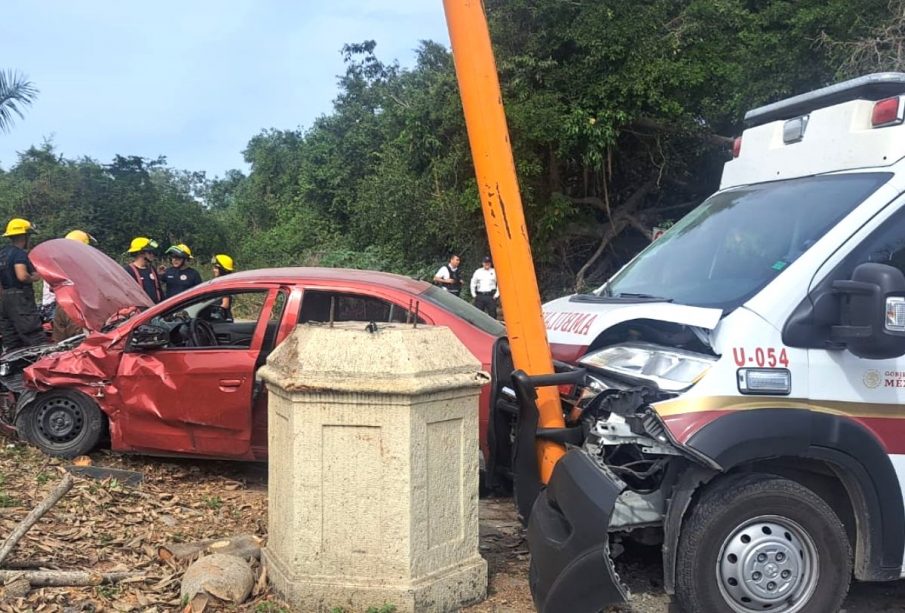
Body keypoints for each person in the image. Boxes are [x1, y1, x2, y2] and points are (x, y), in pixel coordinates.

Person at [0, 218, 45, 351]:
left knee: (11, 339)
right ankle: (42, 367)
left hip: (4, 300)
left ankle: (15, 369)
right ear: (24, 236)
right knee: (33, 335)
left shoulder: (2, 253)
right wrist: (34, 277)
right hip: (20, 299)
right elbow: (21, 275)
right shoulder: (19, 254)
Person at [52, 230, 97, 342]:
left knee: (60, 346)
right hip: (77, 308)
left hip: (60, 306)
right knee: (79, 344)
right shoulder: (84, 262)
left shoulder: (58, 261)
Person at [124, 237, 162, 303]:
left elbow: (159, 290)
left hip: (157, 307)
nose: (152, 255)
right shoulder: (128, 271)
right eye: (150, 252)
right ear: (141, 252)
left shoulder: (152, 269)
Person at [211, 253, 235, 320]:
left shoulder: (225, 284)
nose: (213, 270)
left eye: (216, 268)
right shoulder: (221, 282)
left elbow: (225, 304)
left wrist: (213, 313)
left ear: (223, 269)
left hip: (222, 319)